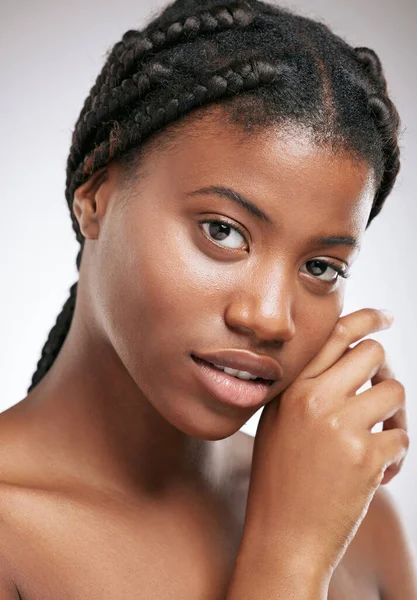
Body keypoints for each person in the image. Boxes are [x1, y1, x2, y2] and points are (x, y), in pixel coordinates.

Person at [1, 0, 416, 598]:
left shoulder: (357, 524)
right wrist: (287, 559)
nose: (270, 318)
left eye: (321, 266)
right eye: (222, 231)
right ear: (95, 196)